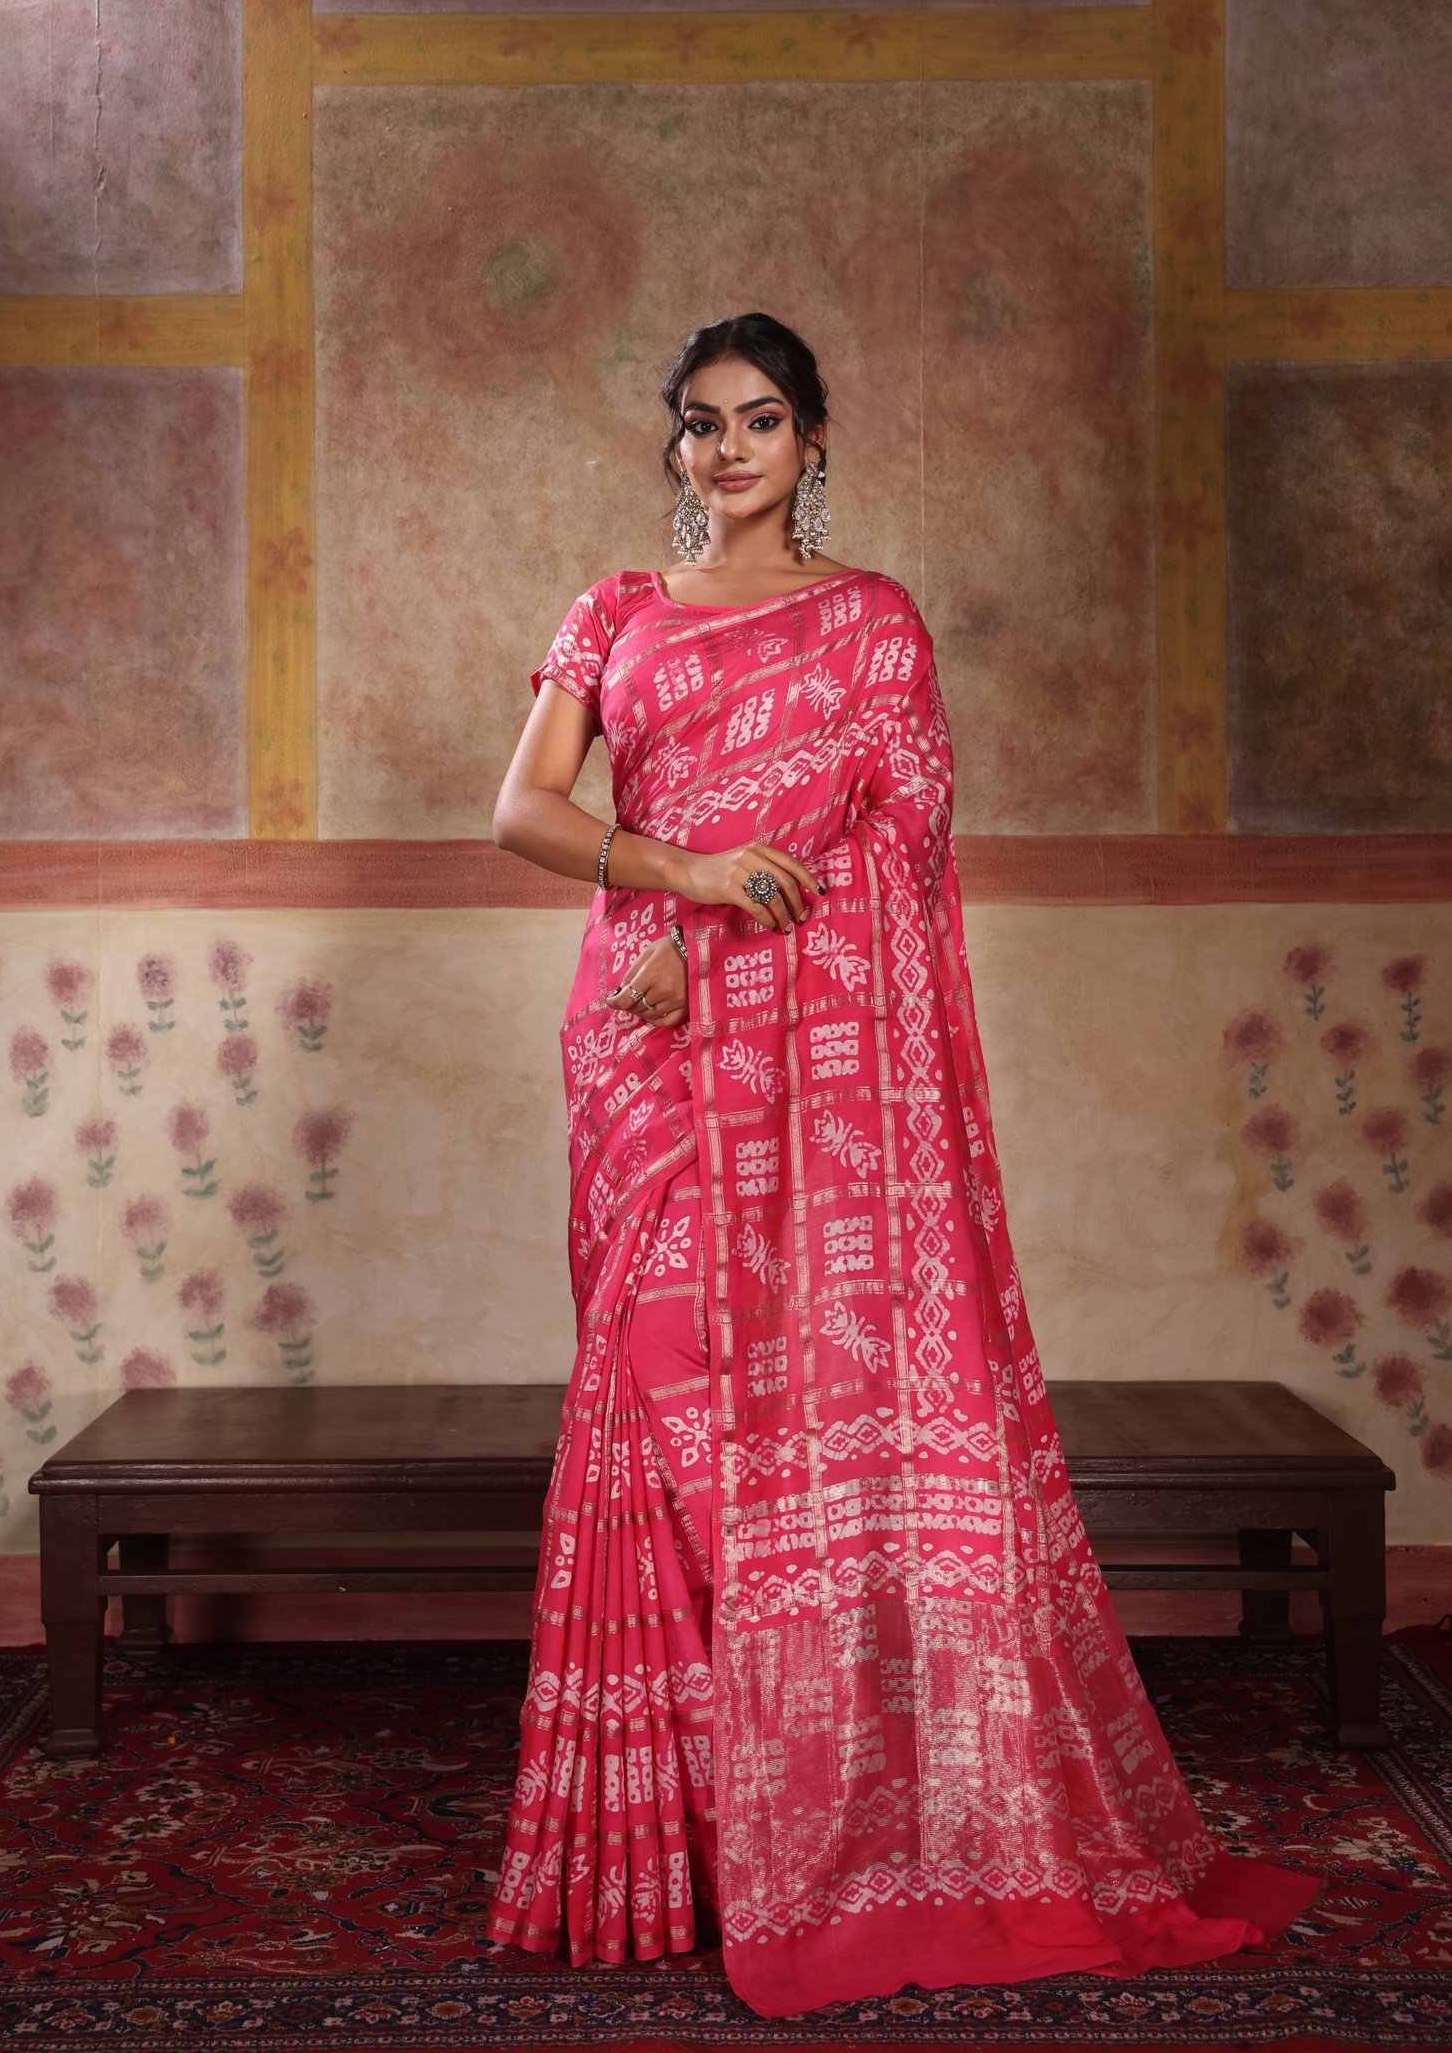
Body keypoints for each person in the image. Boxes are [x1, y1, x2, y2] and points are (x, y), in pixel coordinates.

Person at [485, 311, 1315, 2017]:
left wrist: (722, 946)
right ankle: (680, 1842)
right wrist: (686, 885)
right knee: (656, 1403)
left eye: (759, 421)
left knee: (776, 1412)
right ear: (674, 445)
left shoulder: (872, 625)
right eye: (700, 423)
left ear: (811, 441)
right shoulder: (615, 612)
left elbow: (902, 849)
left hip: (777, 1043)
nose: (726, 450)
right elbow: (525, 811)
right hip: (640, 1047)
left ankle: (810, 1821)